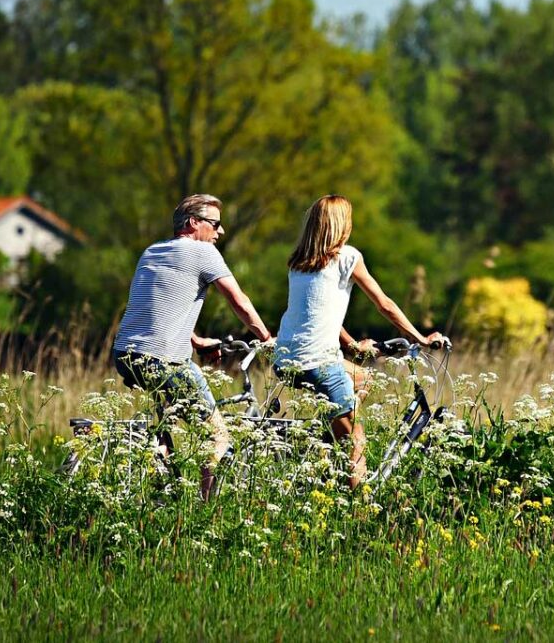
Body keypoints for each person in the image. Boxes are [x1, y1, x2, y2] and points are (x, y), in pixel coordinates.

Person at [274, 195, 448, 488]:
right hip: (319, 361)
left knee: (363, 377)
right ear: (343, 225)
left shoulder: (298, 263)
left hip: (285, 358)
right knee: (357, 441)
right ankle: (359, 512)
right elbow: (384, 304)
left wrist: (351, 344)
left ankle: (327, 445)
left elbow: (317, 312)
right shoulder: (348, 257)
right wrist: (421, 338)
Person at [112, 194, 273, 501]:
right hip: (163, 359)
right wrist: (266, 338)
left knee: (164, 430)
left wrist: (197, 341)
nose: (220, 232)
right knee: (217, 436)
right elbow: (239, 301)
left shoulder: (152, 251)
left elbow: (157, 310)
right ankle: (205, 511)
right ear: (193, 224)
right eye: (214, 224)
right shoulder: (203, 252)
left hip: (125, 354)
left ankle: (161, 491)